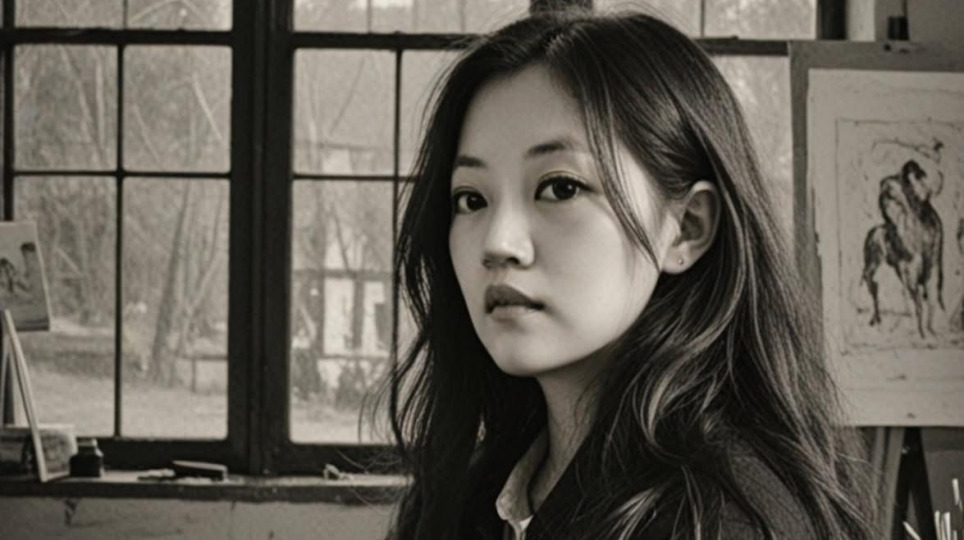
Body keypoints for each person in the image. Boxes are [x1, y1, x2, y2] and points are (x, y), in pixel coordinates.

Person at [384, 9, 875, 540]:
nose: (497, 242)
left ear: (686, 228)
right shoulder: (476, 492)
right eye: (471, 198)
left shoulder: (719, 519)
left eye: (560, 188)